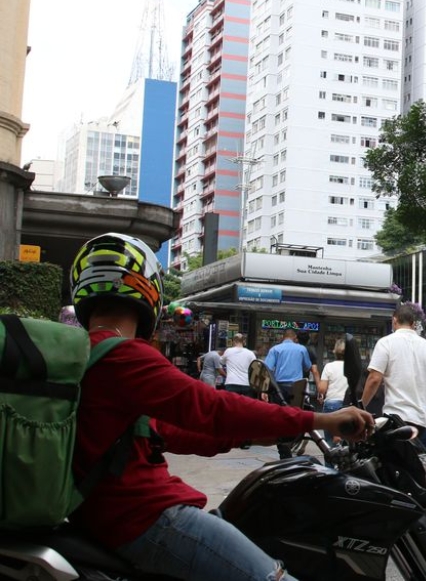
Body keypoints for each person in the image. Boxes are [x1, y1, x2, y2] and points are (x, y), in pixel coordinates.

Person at [67, 232, 372, 581]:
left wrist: (250, 437)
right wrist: (320, 419)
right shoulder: (124, 355)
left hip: (104, 515)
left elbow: (166, 432)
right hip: (144, 517)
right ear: (148, 289)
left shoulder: (81, 356)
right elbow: (212, 408)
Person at [362, 302, 426, 458]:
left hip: (395, 418)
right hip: (421, 421)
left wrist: (361, 406)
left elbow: (374, 379)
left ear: (394, 320)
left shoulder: (386, 343)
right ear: (413, 324)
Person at [264, 329, 313, 405]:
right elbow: (308, 367)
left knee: (279, 412)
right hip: (297, 388)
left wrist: (264, 390)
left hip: (279, 388)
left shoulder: (275, 349)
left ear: (283, 337)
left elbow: (267, 369)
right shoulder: (302, 349)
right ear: (295, 337)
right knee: (295, 412)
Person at [317, 339, 349, 443]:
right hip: (347, 405)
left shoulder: (329, 366)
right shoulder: (352, 367)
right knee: (347, 440)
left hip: (331, 404)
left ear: (334, 351)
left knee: (329, 443)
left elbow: (322, 389)